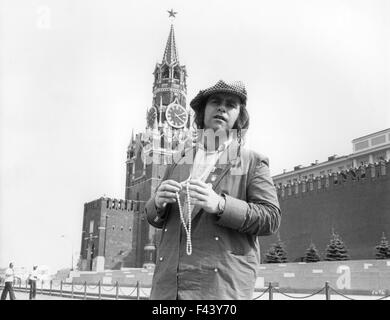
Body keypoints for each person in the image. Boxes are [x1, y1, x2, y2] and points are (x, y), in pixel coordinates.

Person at [145, 80, 281, 299]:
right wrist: (157, 203)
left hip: (217, 290)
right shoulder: (179, 160)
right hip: (168, 289)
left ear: (240, 117)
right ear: (202, 112)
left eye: (230, 104)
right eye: (215, 102)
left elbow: (271, 218)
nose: (222, 108)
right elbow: (154, 218)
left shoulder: (250, 162)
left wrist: (220, 205)